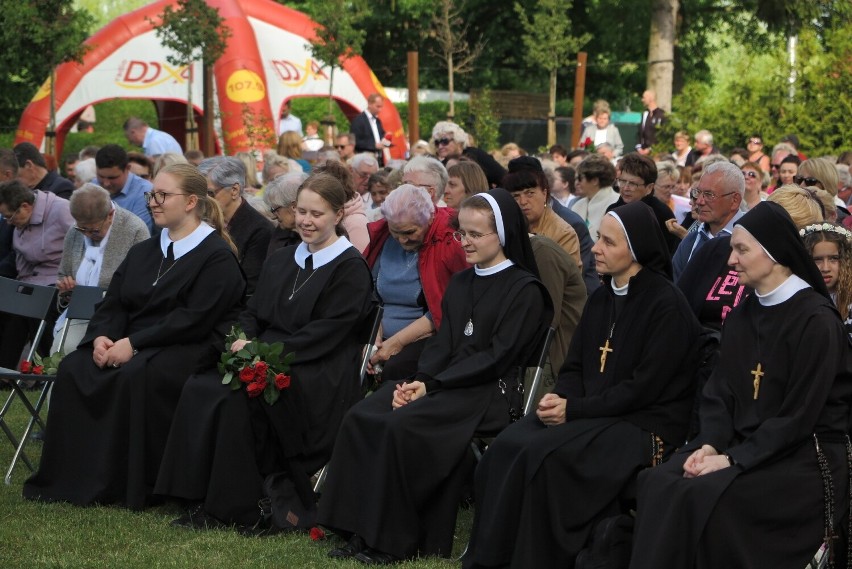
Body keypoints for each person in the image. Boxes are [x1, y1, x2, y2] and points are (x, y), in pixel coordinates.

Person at [462, 201, 702, 569]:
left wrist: (574, 409)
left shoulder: (666, 304)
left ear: (636, 248)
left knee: (549, 459)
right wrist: (560, 395)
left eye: (609, 242)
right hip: (595, 410)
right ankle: (493, 557)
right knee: (509, 446)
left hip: (646, 425)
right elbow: (575, 365)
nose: (597, 249)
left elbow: (644, 389)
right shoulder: (603, 296)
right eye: (598, 239)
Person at [319, 189, 552, 564]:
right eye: (462, 233)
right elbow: (442, 343)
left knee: (400, 427)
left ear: (504, 234)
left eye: (476, 235)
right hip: (441, 383)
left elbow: (496, 358)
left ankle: (392, 540)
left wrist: (432, 385)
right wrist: (419, 380)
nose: (466, 243)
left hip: (487, 393)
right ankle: (355, 528)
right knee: (363, 415)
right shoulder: (461, 282)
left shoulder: (525, 291)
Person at [630, 201, 852, 568]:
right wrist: (709, 444)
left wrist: (732, 459)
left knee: (709, 499)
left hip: (804, 454)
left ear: (775, 254)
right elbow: (719, 394)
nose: (730, 261)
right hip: (739, 444)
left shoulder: (816, 321)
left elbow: (799, 417)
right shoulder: (744, 314)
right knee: (657, 482)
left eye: (741, 250)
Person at [156, 172, 375, 529]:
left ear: (338, 215)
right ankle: (191, 493)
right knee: (201, 385)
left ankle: (230, 506)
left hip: (316, 370)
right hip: (265, 355)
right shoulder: (282, 257)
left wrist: (260, 348)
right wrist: (244, 342)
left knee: (234, 398)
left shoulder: (350, 268)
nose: (305, 221)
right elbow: (253, 312)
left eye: (316, 214)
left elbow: (326, 334)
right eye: (300, 211)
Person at [22, 163, 246, 510]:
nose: (153, 202)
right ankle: (74, 477)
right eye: (151, 194)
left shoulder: (216, 256)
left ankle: (126, 483)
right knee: (75, 369)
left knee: (134, 375)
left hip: (187, 346)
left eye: (162, 195)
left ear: (190, 202)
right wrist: (102, 337)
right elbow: (115, 302)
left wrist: (134, 344)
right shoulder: (146, 250)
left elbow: (195, 318)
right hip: (129, 341)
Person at [364, 185, 469, 383]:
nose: (402, 240)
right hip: (380, 330)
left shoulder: (450, 240)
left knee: (397, 369)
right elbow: (370, 293)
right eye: (395, 232)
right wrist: (373, 337)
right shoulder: (385, 237)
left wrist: (396, 342)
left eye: (410, 232)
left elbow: (446, 308)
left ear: (429, 218)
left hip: (428, 336)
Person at [53, 185, 149, 352]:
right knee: (61, 352)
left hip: (118, 317)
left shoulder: (135, 230)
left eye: (94, 230)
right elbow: (63, 275)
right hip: (79, 313)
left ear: (110, 215)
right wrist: (66, 290)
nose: (86, 234)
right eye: (82, 228)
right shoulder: (75, 231)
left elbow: (141, 287)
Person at [0, 180, 75, 367]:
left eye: (10, 217)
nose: (9, 222)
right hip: (30, 279)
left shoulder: (61, 210)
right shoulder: (22, 220)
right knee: (10, 307)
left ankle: (46, 368)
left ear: (25, 206)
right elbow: (21, 258)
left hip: (59, 280)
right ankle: (5, 371)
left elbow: (81, 245)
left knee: (35, 306)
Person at [205, 157, 272, 295]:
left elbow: (248, 287)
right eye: (200, 193)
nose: (204, 200)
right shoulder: (201, 220)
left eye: (210, 193)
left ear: (234, 190)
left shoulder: (260, 229)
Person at [672, 161, 745, 281]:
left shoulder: (754, 241)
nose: (699, 201)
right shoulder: (690, 242)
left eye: (709, 194)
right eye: (698, 192)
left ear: (734, 200)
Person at [503, 158, 582, 268]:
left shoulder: (563, 234)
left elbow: (565, 279)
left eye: (530, 193)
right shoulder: (504, 228)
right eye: (515, 196)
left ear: (544, 193)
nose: (523, 201)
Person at [607, 153, 679, 254]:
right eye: (622, 181)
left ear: (649, 188)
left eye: (633, 183)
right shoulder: (612, 210)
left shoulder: (661, 214)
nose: (626, 188)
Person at [802, 222, 852, 332]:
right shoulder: (800, 301)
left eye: (834, 258)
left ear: (846, 260)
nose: (825, 268)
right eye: (817, 259)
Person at [95, 144, 154, 233]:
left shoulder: (146, 191)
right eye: (101, 177)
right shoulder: (92, 185)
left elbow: (137, 233)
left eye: (112, 178)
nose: (106, 183)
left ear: (127, 168)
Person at [571, 154, 620, 241]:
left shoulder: (617, 203)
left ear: (594, 181)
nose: (576, 183)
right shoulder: (577, 205)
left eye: (580, 178)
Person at [263, 171, 307, 257]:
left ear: (294, 206)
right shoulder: (282, 232)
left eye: (276, 209)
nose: (273, 216)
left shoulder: (318, 237)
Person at [350, 93, 387, 166]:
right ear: (369, 104)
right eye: (378, 106)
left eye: (381, 107)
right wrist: (374, 146)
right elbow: (355, 142)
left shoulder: (378, 121)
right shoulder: (358, 120)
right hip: (364, 160)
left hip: (378, 159)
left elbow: (381, 136)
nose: (380, 110)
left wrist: (386, 141)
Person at [637, 90, 665, 155]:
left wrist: (651, 149)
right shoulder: (644, 114)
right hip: (642, 152)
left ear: (651, 98)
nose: (642, 100)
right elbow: (639, 133)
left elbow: (662, 136)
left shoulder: (662, 115)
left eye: (644, 98)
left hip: (656, 152)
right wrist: (639, 148)